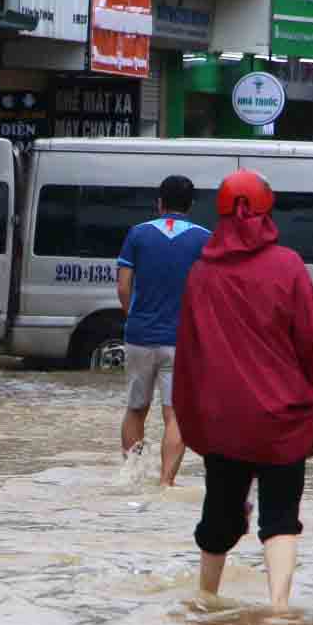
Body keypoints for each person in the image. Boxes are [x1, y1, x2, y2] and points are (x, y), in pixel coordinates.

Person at [171, 170, 313, 610]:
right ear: (267, 211)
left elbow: (189, 359)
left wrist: (193, 422)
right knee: (281, 518)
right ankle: (280, 611)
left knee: (218, 518)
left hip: (224, 422)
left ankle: (205, 603)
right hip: (284, 420)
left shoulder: (201, 275)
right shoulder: (288, 266)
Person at [115, 174, 211, 486]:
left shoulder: (138, 234)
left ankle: (132, 477)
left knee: (135, 409)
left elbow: (123, 285)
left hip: (139, 336)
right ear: (191, 204)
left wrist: (134, 317)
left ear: (159, 202)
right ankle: (166, 483)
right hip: (181, 341)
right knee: (175, 415)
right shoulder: (204, 238)